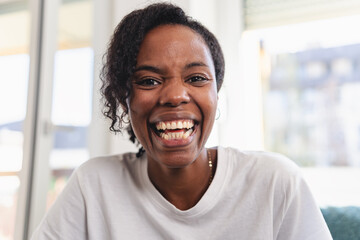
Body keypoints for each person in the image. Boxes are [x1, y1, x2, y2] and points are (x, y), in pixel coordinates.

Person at [32, 3, 332, 240]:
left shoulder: (275, 182)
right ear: (124, 98)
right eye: (149, 80)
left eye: (197, 78)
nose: (175, 96)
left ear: (217, 92)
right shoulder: (93, 186)